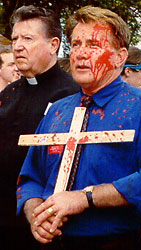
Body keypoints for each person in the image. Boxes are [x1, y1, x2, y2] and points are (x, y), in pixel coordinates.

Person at [17, 6, 141, 250]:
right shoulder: (57, 112)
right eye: (76, 44)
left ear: (120, 56)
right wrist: (35, 212)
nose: (80, 54)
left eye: (93, 45)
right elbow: (31, 176)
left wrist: (86, 198)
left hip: (115, 243)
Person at [0, 5, 79, 250]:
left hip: (46, 224)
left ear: (54, 44)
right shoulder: (9, 93)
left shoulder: (73, 94)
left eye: (28, 38)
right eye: (15, 38)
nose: (18, 46)